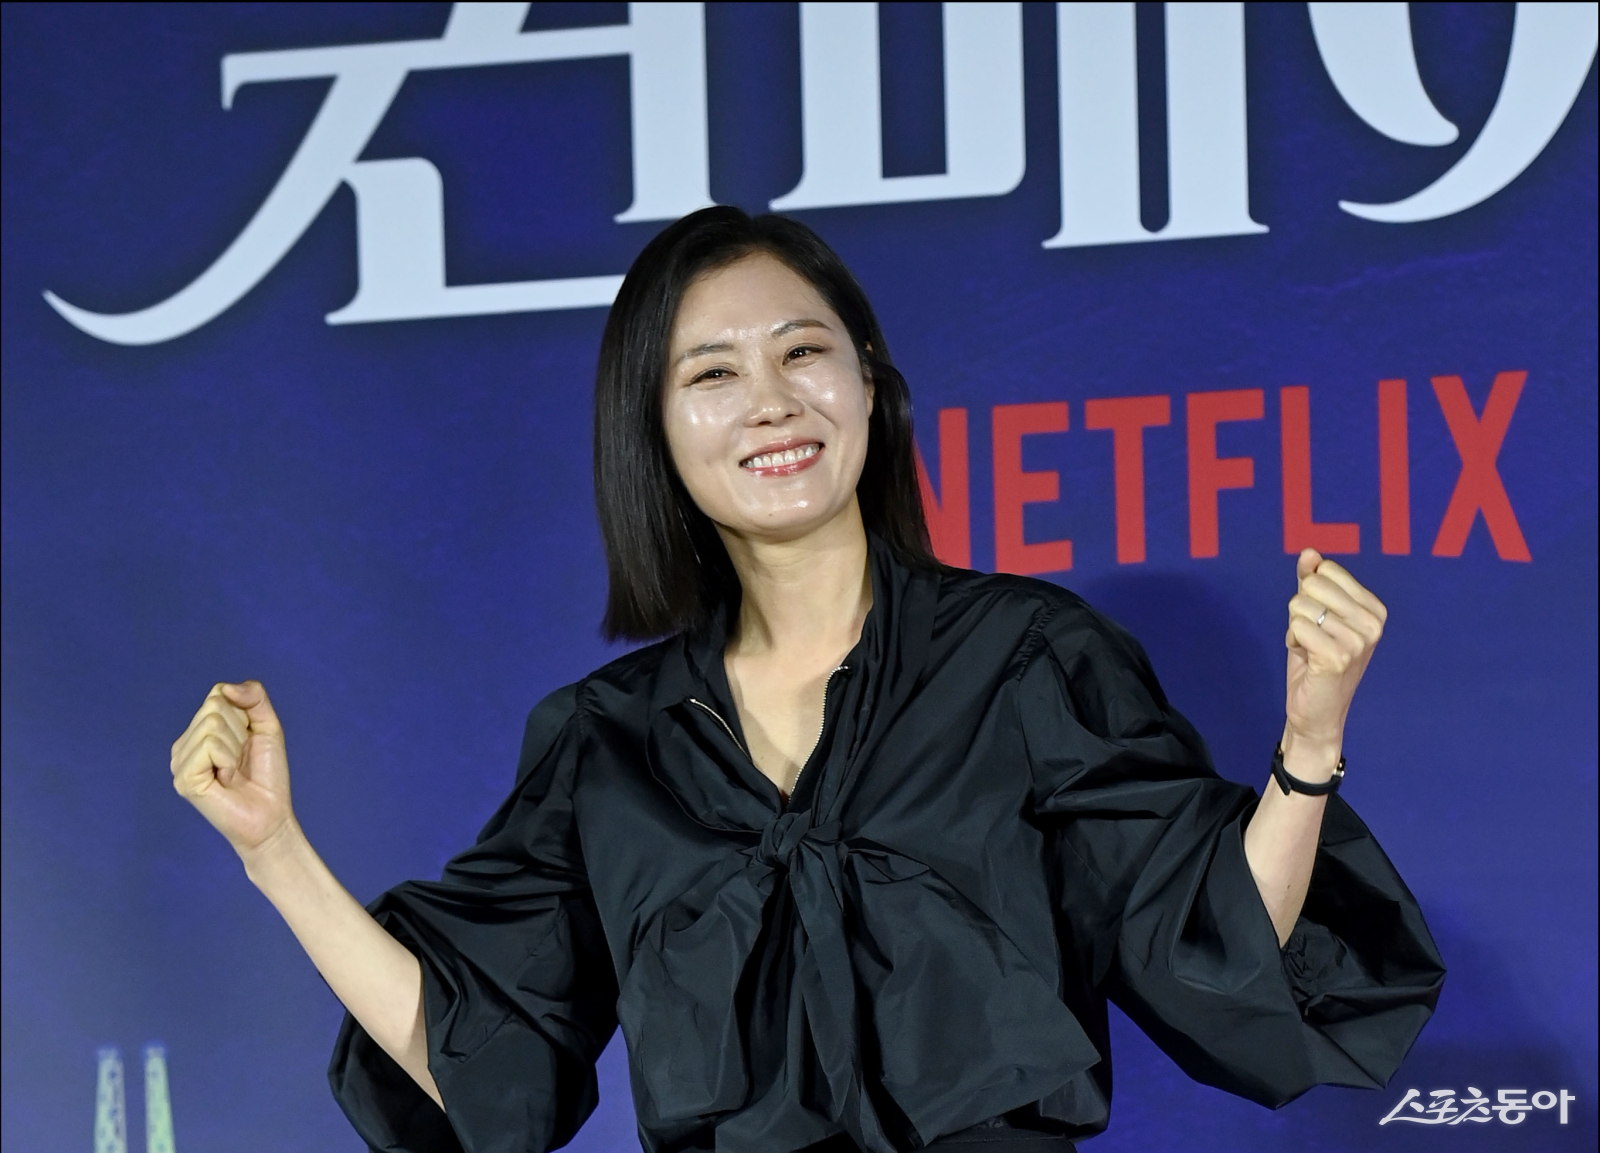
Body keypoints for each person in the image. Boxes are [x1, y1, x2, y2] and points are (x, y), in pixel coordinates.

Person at [169, 207, 1444, 1153]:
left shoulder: (1027, 654)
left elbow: (1212, 946)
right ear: (654, 433)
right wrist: (274, 849)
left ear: (869, 385)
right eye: (713, 373)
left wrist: (1307, 745)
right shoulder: (605, 741)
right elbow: (480, 1055)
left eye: (803, 353)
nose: (771, 402)